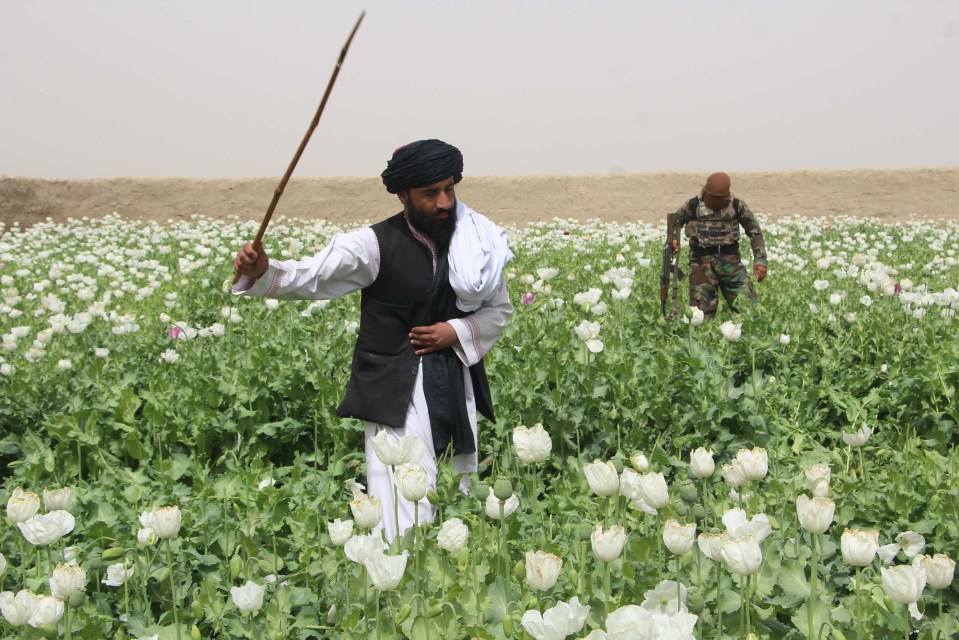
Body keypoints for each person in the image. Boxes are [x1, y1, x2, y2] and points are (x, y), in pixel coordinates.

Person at [232, 139, 513, 541]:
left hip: (454, 380)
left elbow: (499, 308)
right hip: (396, 388)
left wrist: (456, 330)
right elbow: (315, 275)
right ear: (403, 195)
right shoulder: (373, 244)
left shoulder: (476, 244)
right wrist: (263, 270)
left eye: (449, 188)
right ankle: (399, 576)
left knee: (457, 493)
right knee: (403, 497)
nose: (444, 202)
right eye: (430, 193)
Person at [670, 172, 767, 317]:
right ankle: (703, 339)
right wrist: (672, 238)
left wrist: (760, 261)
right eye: (713, 198)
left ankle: (749, 338)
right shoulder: (693, 205)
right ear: (706, 190)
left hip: (731, 263)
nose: (716, 202)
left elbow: (755, 231)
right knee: (700, 315)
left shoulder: (736, 205)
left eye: (720, 199)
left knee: (749, 310)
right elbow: (674, 222)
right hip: (701, 265)